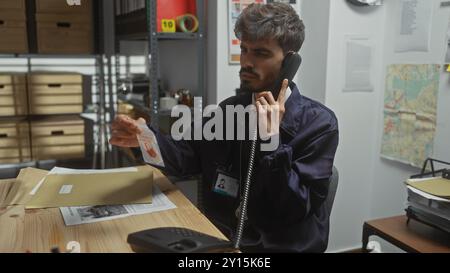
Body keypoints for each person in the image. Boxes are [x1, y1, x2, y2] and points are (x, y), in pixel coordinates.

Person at [110, 2, 339, 252]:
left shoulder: (319, 124)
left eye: (261, 53)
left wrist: (271, 141)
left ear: (290, 62)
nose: (247, 62)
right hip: (222, 240)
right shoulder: (230, 109)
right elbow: (187, 155)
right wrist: (145, 139)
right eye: (244, 50)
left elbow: (288, 211)